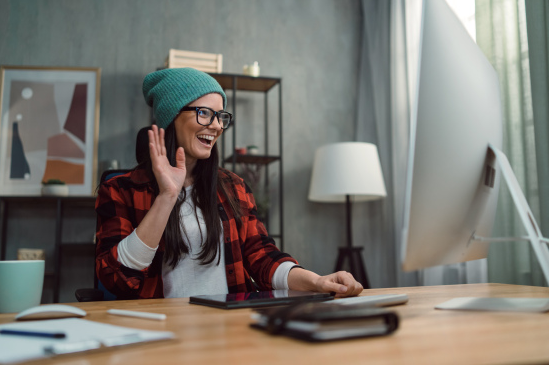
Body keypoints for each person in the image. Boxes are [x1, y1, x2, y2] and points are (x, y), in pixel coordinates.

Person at [95, 67, 363, 299]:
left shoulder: (233, 188)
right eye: (204, 113)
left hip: (229, 324)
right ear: (172, 117)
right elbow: (118, 280)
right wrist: (167, 196)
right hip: (161, 330)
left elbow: (261, 257)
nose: (216, 126)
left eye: (221, 116)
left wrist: (316, 282)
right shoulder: (119, 189)